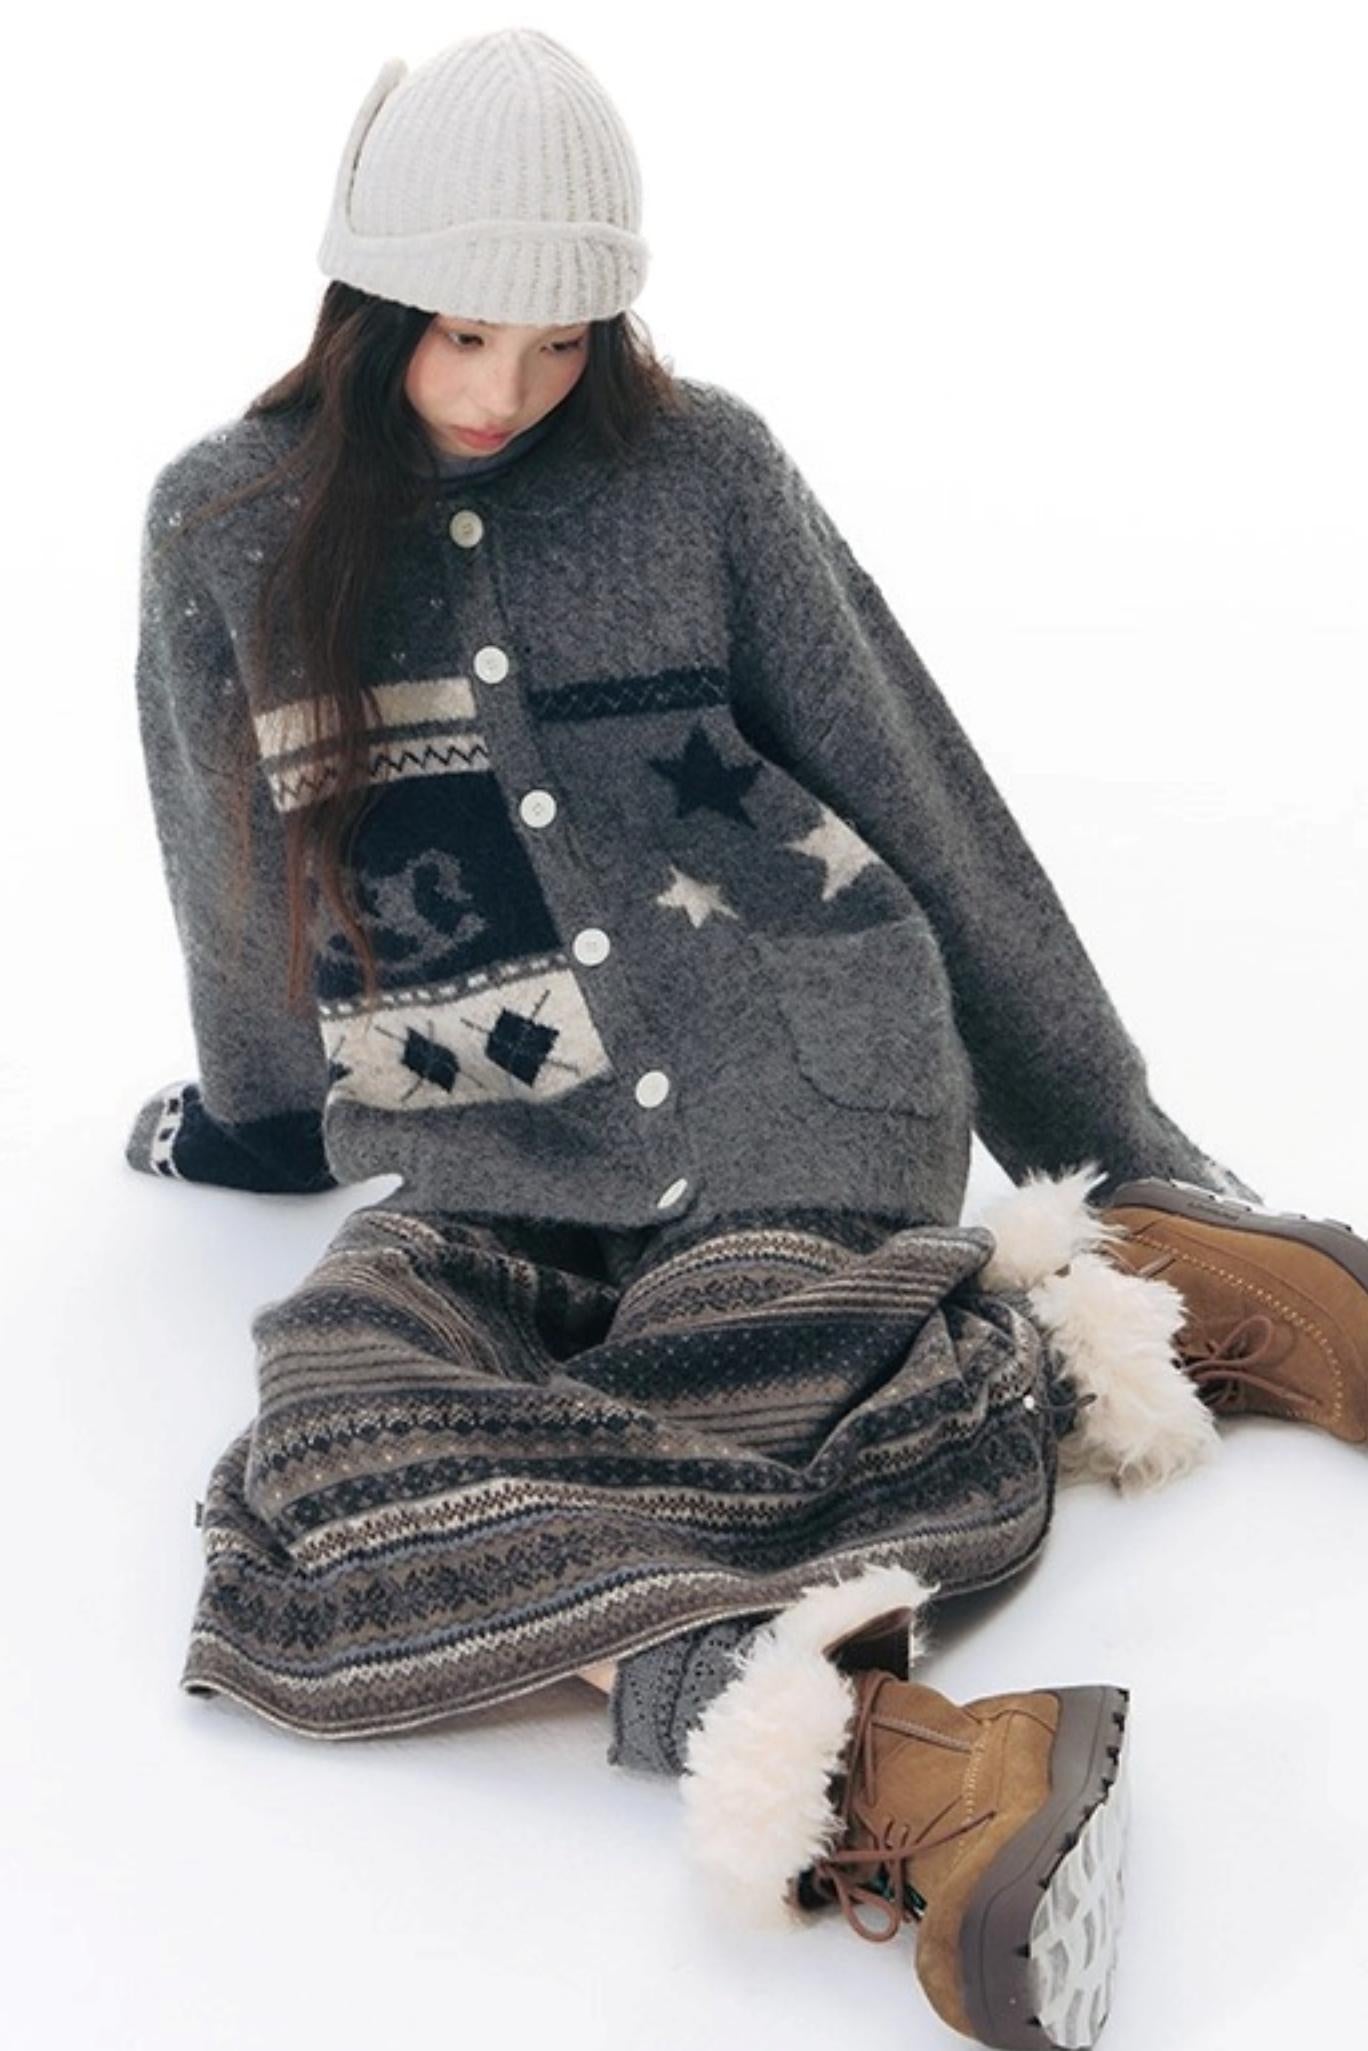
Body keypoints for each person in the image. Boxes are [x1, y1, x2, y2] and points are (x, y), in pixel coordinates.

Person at [122, 27, 1368, 2051]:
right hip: (494, 1144)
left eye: (560, 344)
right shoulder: (224, 525)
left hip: (795, 1062)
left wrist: (1115, 1124)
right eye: (460, 337)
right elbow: (231, 861)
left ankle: (920, 1759)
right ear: (360, 301)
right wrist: (256, 1117)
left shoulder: (702, 473)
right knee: (327, 1443)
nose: (506, 392)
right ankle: (1100, 1338)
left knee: (763, 1384)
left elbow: (914, 786)